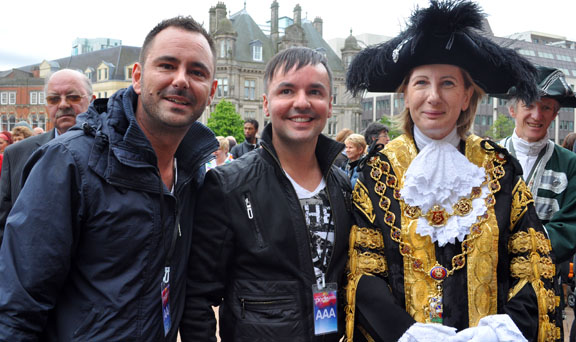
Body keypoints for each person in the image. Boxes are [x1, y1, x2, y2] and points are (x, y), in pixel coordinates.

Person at [344, 1, 561, 341]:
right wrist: (409, 334)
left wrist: (500, 333)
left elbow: (533, 265)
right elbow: (364, 272)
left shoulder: (500, 169)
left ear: (466, 97)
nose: (433, 97)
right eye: (421, 83)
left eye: (447, 83)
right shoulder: (378, 171)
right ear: (405, 95)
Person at [0, 16, 218, 341]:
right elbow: (18, 307)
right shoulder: (69, 161)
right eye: (167, 66)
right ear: (138, 77)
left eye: (197, 72)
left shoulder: (192, 174)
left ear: (212, 91)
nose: (181, 80)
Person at [181, 47, 353, 341]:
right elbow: (196, 296)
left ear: (330, 104)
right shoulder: (227, 185)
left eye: (315, 91)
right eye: (287, 91)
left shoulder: (343, 186)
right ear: (265, 103)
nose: (302, 102)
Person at [0, 69, 95, 243]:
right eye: (54, 99)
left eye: (73, 97)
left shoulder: (113, 150)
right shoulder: (17, 154)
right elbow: (4, 223)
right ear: (46, 106)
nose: (63, 104)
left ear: (92, 100)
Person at [499, 66, 576, 264]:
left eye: (546, 107)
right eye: (529, 105)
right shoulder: (487, 156)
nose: (537, 115)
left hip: (545, 270)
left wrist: (529, 251)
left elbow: (571, 225)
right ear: (512, 110)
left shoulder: (570, 164)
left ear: (555, 114)